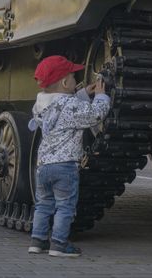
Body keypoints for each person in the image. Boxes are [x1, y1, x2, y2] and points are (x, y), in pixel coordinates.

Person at [27, 55, 110, 257]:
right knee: (65, 206)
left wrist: (82, 93)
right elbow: (94, 114)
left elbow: (62, 105)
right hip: (65, 167)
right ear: (65, 82)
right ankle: (59, 244)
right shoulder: (71, 106)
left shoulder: (40, 105)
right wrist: (100, 95)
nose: (76, 80)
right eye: (73, 77)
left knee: (44, 204)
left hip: (43, 166)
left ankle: (37, 241)